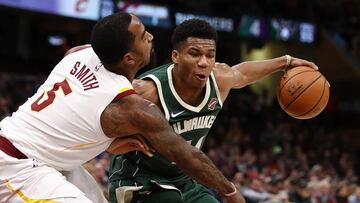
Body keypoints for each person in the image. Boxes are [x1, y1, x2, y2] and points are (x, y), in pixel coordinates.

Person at [0, 13, 244, 203]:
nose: (150, 37)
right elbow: (188, 156)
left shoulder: (80, 52)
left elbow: (73, 113)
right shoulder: (129, 107)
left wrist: (106, 143)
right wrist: (230, 191)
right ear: (129, 59)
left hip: (44, 156)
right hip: (16, 166)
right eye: (143, 35)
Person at [108, 19, 319, 203]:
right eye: (194, 54)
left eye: (210, 55)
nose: (203, 62)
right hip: (139, 180)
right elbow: (99, 120)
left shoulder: (218, 80)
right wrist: (113, 146)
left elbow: (243, 74)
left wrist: (286, 62)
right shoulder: (148, 91)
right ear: (176, 56)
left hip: (184, 180)